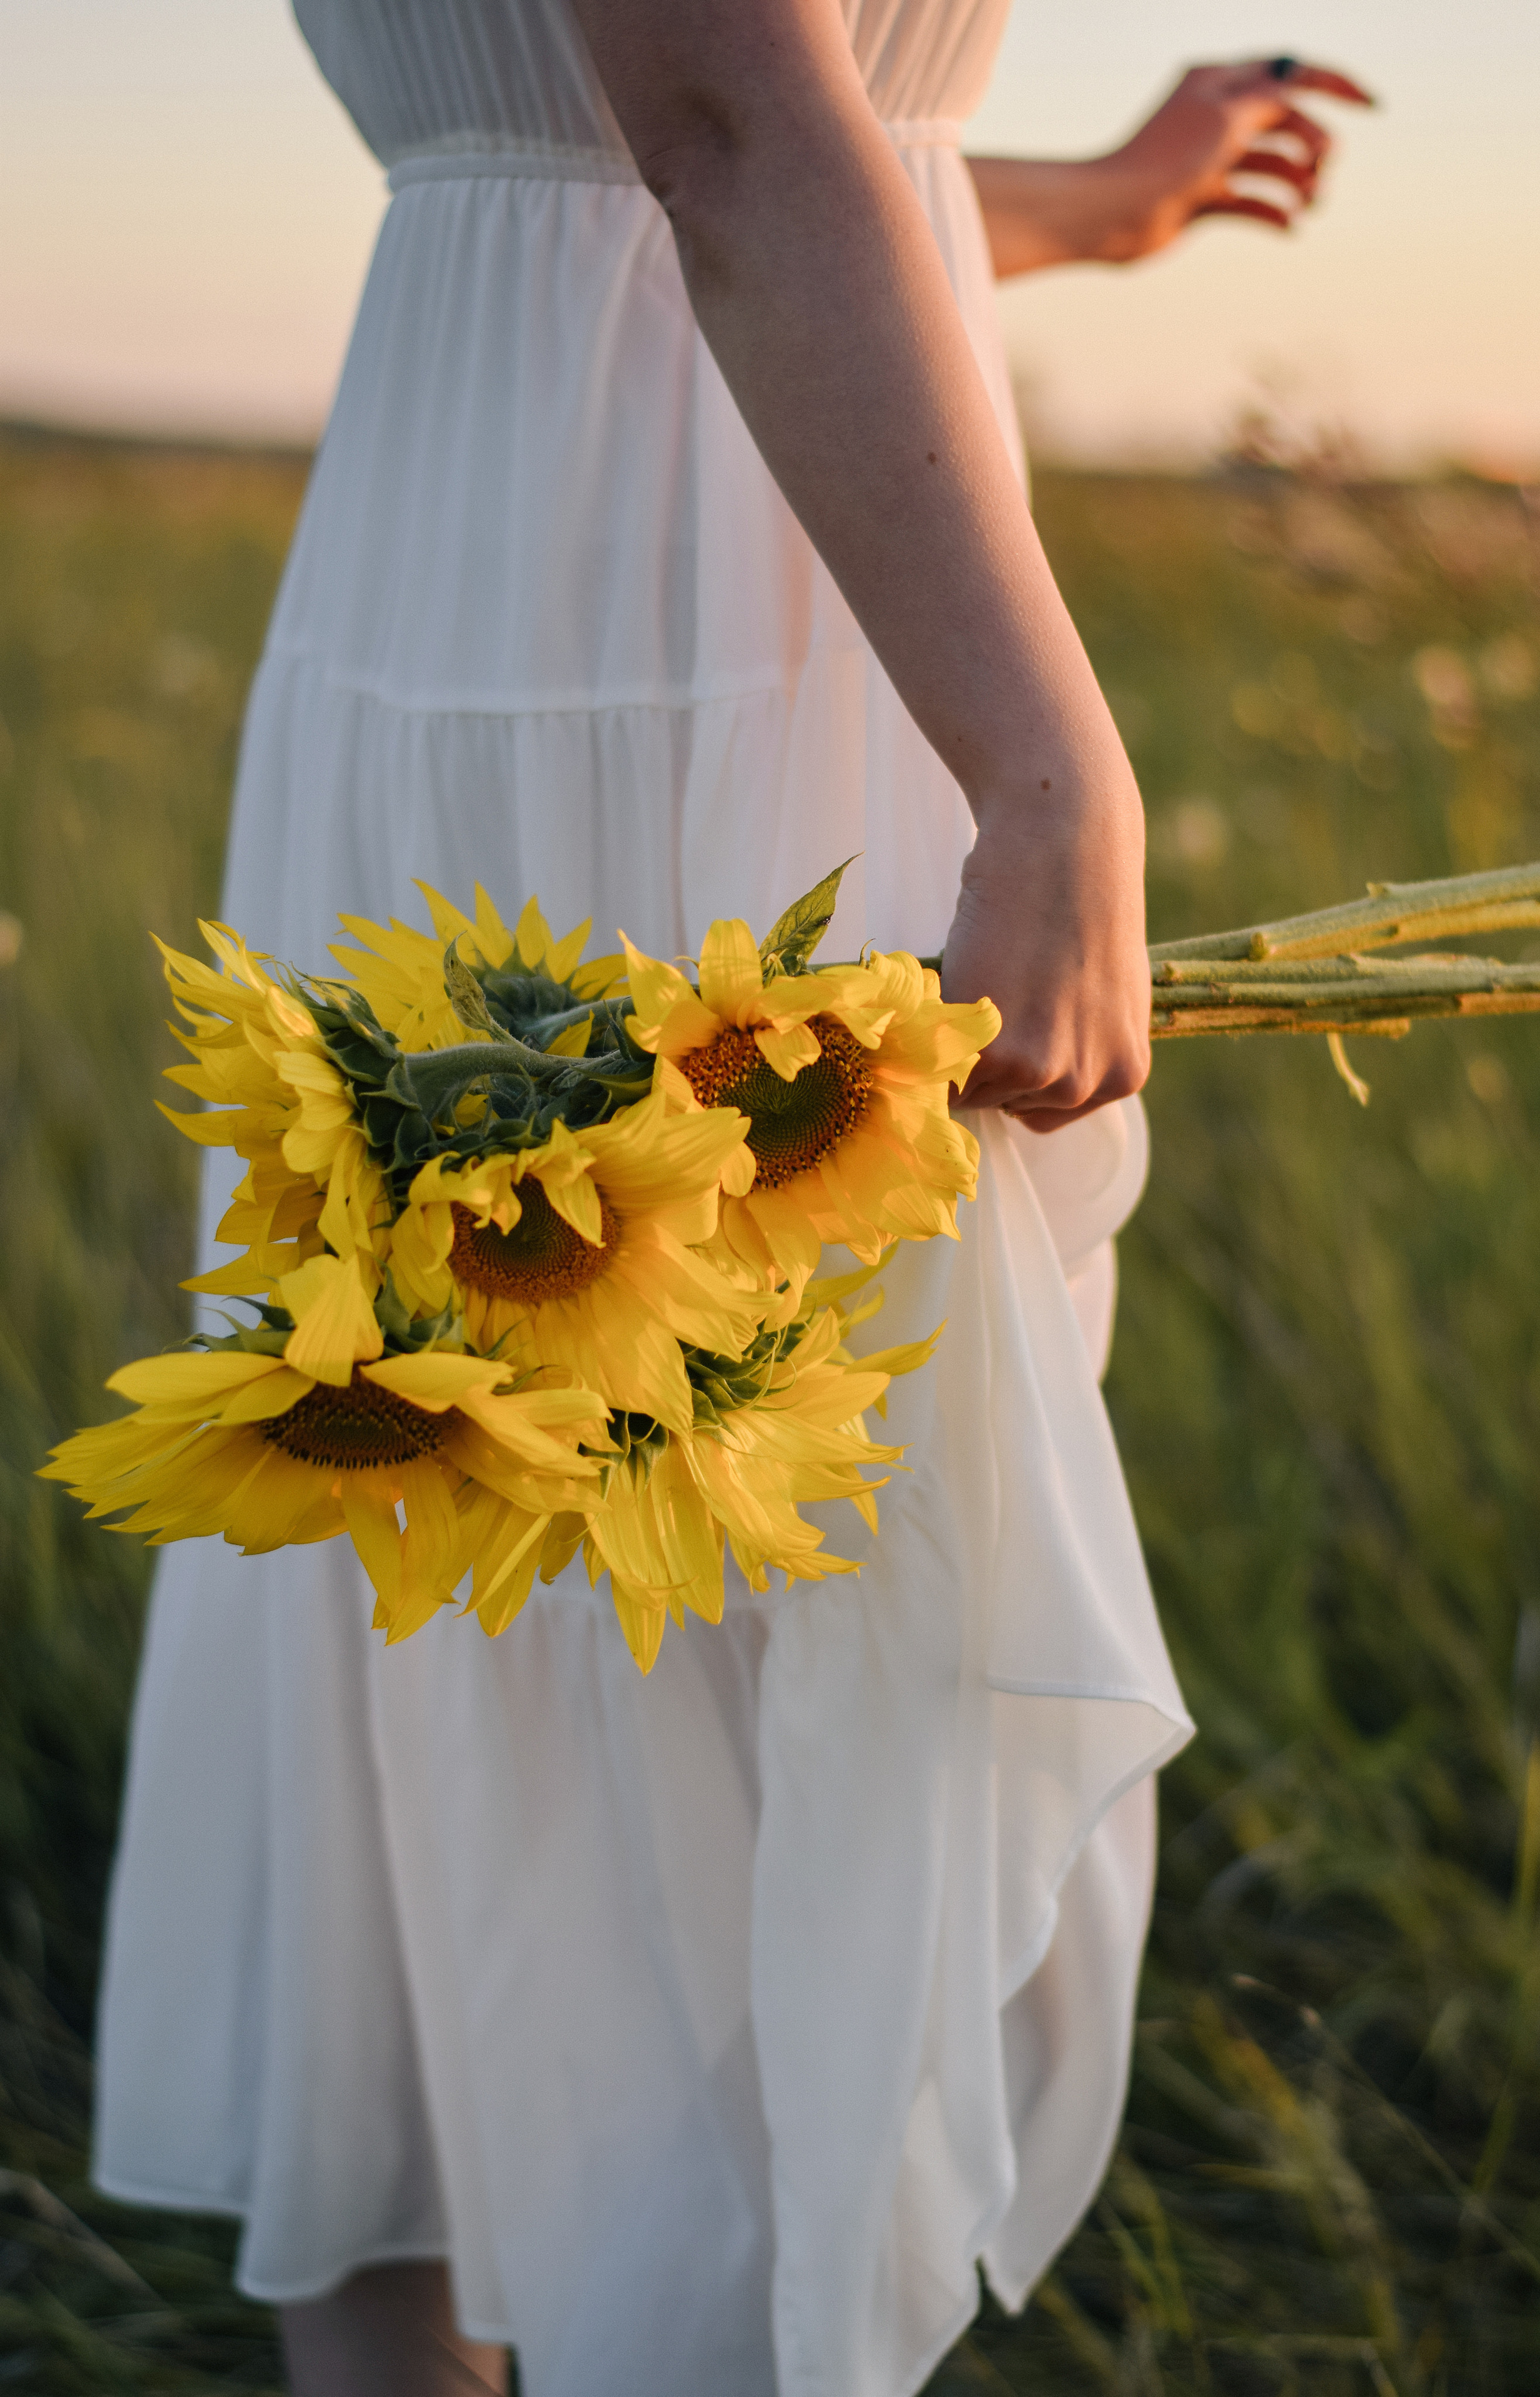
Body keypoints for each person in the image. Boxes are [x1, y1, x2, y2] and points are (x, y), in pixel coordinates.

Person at [91, 7, 1370, 2393]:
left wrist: (1081, 193)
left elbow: (716, 124)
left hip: (548, 552)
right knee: (676, 1579)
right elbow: (714, 120)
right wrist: (1051, 772)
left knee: (528, 1553)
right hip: (676, 632)